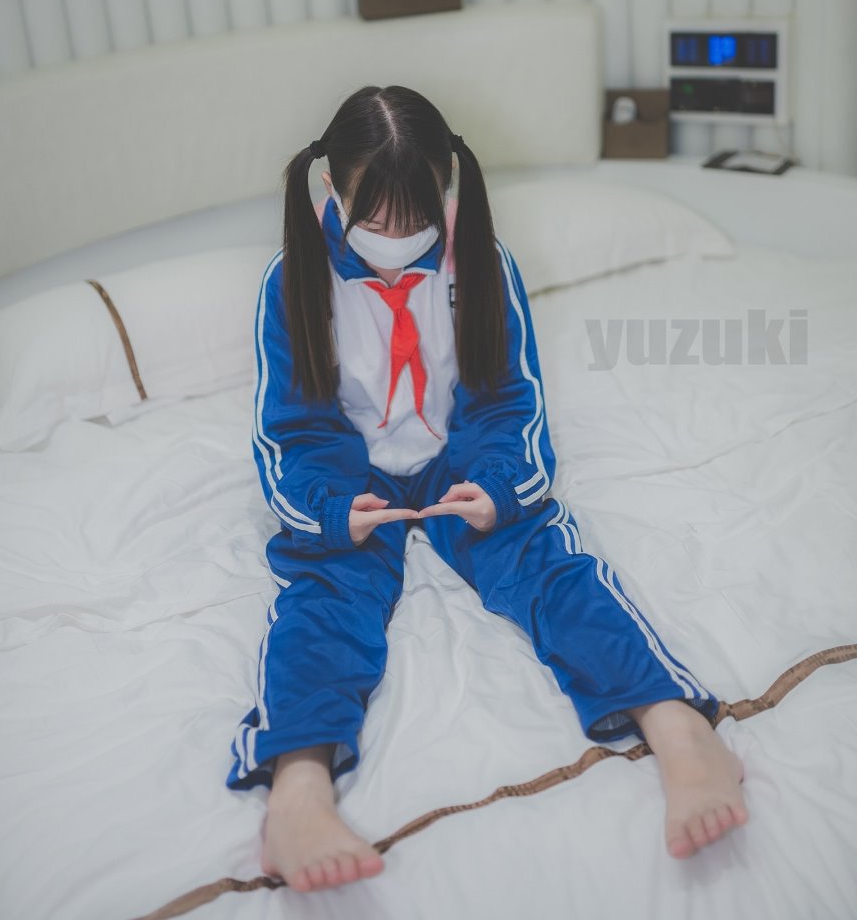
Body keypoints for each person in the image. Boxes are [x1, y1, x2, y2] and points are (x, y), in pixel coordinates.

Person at [225, 84, 748, 893]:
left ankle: (675, 725)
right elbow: (291, 430)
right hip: (348, 471)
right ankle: (298, 788)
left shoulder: (480, 264)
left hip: (461, 455)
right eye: (378, 222)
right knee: (325, 596)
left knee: (543, 563)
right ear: (332, 191)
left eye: (416, 219)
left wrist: (499, 489)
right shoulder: (291, 282)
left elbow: (509, 400)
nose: (398, 241)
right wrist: (331, 511)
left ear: (448, 190)